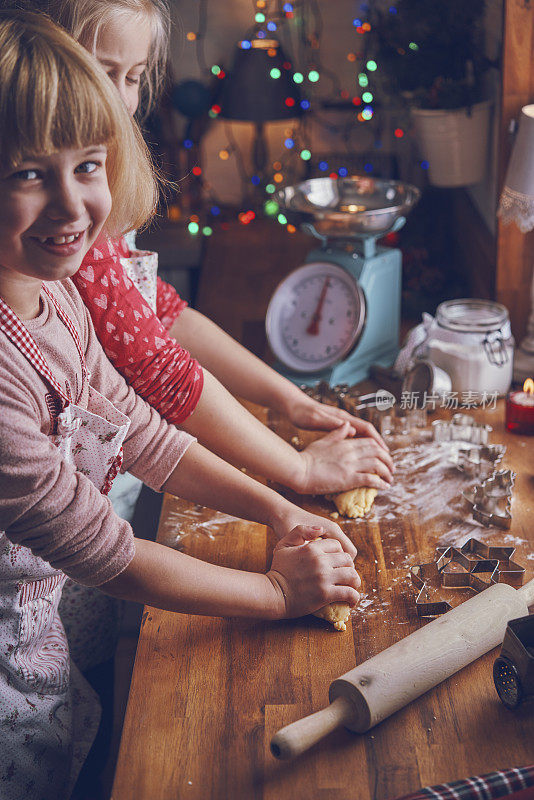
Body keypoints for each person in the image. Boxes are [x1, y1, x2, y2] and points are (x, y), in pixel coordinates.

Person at [0, 11, 361, 798]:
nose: (70, 208)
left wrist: (278, 510)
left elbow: (138, 430)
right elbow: (105, 552)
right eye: (29, 173)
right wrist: (275, 593)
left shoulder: (52, 296)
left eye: (88, 165)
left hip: (43, 623)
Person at [17, 0, 394, 516]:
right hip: (78, 513)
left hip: (124, 481)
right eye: (103, 72)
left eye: (134, 77)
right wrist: (298, 469)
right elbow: (159, 369)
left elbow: (161, 312)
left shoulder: (91, 192)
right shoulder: (61, 231)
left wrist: (291, 400)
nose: (122, 101)